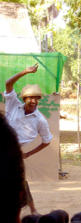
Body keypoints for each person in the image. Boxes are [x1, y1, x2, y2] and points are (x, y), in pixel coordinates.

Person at [4, 64, 54, 215]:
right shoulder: (13, 105)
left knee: (20, 180)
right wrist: (25, 72)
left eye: (36, 98)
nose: (33, 101)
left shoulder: (40, 120)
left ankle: (32, 209)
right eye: (30, 98)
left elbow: (47, 141)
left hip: (14, 153)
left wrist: (29, 153)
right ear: (24, 99)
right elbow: (8, 83)